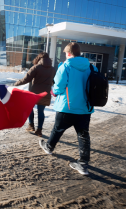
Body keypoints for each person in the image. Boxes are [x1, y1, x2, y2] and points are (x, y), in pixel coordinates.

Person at [39, 42, 98, 175]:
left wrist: (53, 92)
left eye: (66, 53)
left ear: (69, 53)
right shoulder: (91, 67)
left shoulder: (65, 66)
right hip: (85, 108)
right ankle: (83, 164)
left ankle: (49, 147)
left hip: (67, 107)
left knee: (58, 129)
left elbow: (59, 86)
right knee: (83, 135)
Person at [14, 52, 56, 137]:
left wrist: (15, 84)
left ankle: (31, 125)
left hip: (34, 93)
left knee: (29, 108)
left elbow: (26, 79)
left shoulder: (36, 67)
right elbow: (54, 81)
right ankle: (39, 130)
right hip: (45, 93)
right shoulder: (53, 69)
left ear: (39, 58)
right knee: (41, 111)